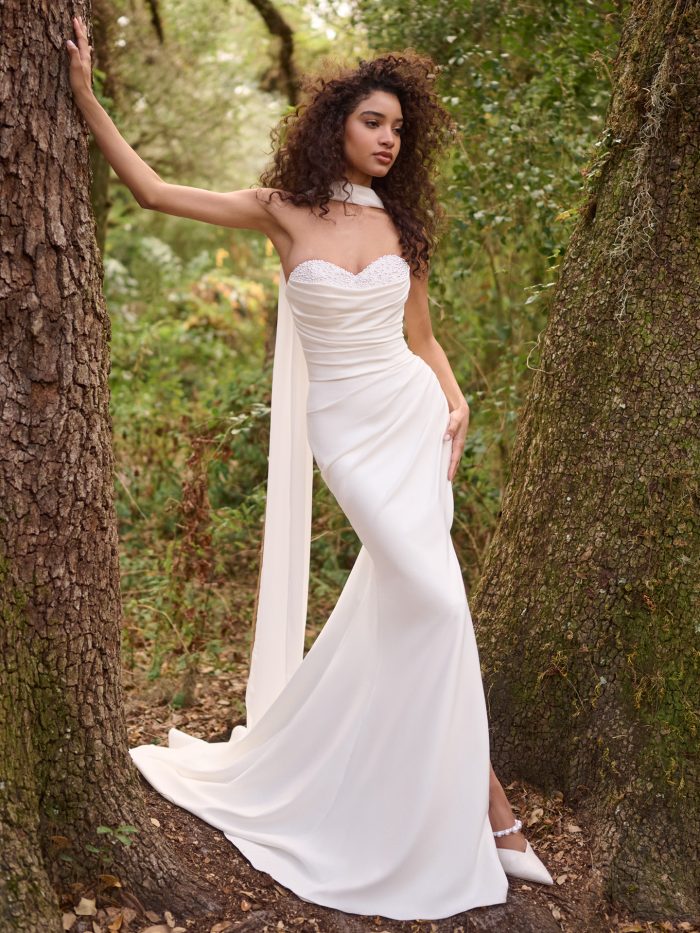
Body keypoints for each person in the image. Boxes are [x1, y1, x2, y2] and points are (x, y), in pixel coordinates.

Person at [66, 15, 553, 921]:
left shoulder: (401, 221)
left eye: (399, 129)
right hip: (348, 435)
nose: (387, 138)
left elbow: (423, 336)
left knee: (424, 610)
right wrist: (89, 100)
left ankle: (485, 813)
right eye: (374, 121)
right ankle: (492, 815)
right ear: (336, 121)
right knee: (437, 603)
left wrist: (455, 396)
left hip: (411, 420)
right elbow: (153, 192)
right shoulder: (280, 209)